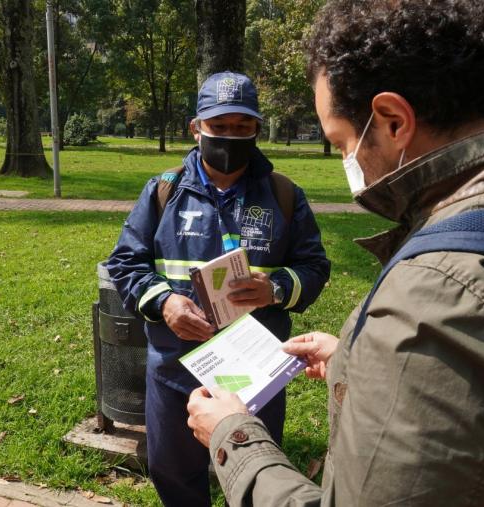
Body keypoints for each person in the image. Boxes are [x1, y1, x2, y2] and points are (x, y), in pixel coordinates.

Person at [186, 1, 484, 505]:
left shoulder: (432, 307)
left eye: (341, 140)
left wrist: (235, 439)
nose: (348, 161)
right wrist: (355, 360)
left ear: (392, 121)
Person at [107, 71, 330, 507]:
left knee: (252, 473)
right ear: (197, 128)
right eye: (220, 127)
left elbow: (315, 266)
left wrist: (277, 288)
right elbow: (125, 261)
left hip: (254, 371)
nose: (231, 137)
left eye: (242, 128)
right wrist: (164, 302)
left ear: (256, 130)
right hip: (175, 365)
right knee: (171, 469)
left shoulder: (284, 194)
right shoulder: (163, 192)